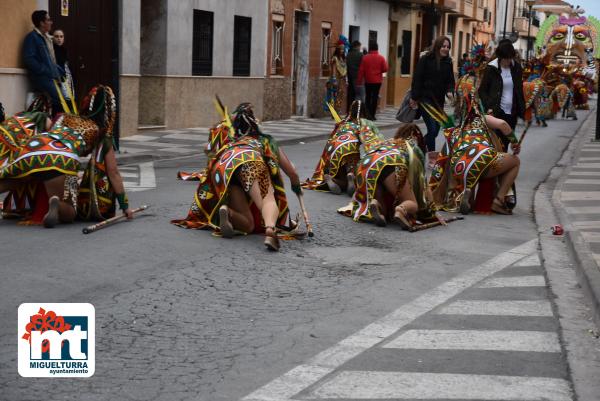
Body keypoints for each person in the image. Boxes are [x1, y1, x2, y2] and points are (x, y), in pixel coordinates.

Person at [172, 102, 302, 252]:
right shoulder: (264, 140)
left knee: (248, 225)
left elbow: (208, 151)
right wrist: (296, 186)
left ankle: (228, 212)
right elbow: (292, 172)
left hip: (223, 168)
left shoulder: (230, 141)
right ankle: (270, 231)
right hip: (249, 160)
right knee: (267, 199)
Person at [0, 85, 133, 227]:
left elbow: (45, 126)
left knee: (19, 179)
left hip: (32, 149)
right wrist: (125, 206)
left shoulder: (63, 116)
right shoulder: (101, 133)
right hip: (63, 158)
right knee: (70, 212)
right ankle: (58, 204)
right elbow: (113, 173)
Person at [338, 123, 441, 230]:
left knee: (383, 204)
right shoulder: (414, 147)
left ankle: (376, 204)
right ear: (416, 138)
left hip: (365, 165)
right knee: (413, 203)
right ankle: (401, 210)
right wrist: (432, 212)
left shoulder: (388, 142)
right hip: (390, 164)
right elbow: (423, 184)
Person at [410, 36, 455, 166]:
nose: (445, 49)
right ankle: (432, 158)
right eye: (443, 46)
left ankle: (419, 146)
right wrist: (414, 97)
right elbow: (417, 78)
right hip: (425, 99)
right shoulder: (425, 59)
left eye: (448, 47)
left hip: (438, 101)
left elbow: (450, 81)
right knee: (432, 127)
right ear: (437, 46)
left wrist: (450, 91)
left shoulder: (448, 62)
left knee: (434, 131)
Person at [303, 100, 364, 195]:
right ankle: (351, 174)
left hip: (332, 150)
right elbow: (368, 142)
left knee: (340, 172)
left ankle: (331, 179)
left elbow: (330, 139)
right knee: (353, 163)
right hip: (349, 148)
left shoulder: (342, 123)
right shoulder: (362, 125)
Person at [22, 10, 63, 115]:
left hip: (51, 77)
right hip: (42, 77)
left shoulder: (45, 38)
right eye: (48, 20)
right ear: (41, 23)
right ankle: (55, 128)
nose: (51, 22)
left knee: (63, 99)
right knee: (58, 100)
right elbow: (29, 59)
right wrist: (43, 70)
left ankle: (55, 125)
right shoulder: (32, 37)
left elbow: (50, 60)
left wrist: (59, 71)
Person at [356, 42, 388, 120]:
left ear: (370, 48)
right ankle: (373, 115)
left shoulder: (365, 58)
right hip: (377, 81)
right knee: (375, 98)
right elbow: (385, 69)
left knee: (368, 97)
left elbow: (361, 70)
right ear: (377, 48)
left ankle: (367, 114)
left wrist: (359, 81)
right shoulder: (381, 58)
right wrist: (378, 71)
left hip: (368, 81)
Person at [52, 29, 75, 104]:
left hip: (64, 78)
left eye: (61, 36)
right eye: (57, 36)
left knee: (66, 99)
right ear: (53, 38)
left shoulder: (64, 50)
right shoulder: (51, 50)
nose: (59, 39)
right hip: (55, 78)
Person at [327, 44, 347, 114]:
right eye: (341, 49)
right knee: (334, 95)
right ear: (338, 50)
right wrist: (334, 78)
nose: (342, 51)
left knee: (340, 95)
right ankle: (334, 111)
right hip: (336, 79)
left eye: (343, 49)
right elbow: (333, 69)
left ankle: (337, 109)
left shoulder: (343, 58)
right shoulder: (335, 58)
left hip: (342, 79)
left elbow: (344, 69)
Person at [346, 41, 363, 112]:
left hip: (350, 75)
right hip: (358, 76)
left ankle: (349, 110)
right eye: (360, 46)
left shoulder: (348, 55)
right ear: (357, 46)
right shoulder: (360, 55)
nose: (360, 48)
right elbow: (362, 65)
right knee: (359, 94)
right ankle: (356, 111)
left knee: (351, 93)